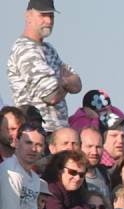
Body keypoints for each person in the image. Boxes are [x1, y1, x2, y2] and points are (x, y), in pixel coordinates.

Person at [7, 0, 82, 133]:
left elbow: (77, 85)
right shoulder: (26, 49)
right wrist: (66, 82)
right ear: (28, 16)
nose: (48, 21)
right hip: (38, 132)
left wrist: (62, 82)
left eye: (51, 16)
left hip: (58, 132)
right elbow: (51, 96)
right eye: (43, 15)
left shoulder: (48, 49)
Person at [80, 127, 111, 202]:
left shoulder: (105, 174)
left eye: (98, 147)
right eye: (89, 146)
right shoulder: (73, 176)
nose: (94, 152)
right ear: (79, 146)